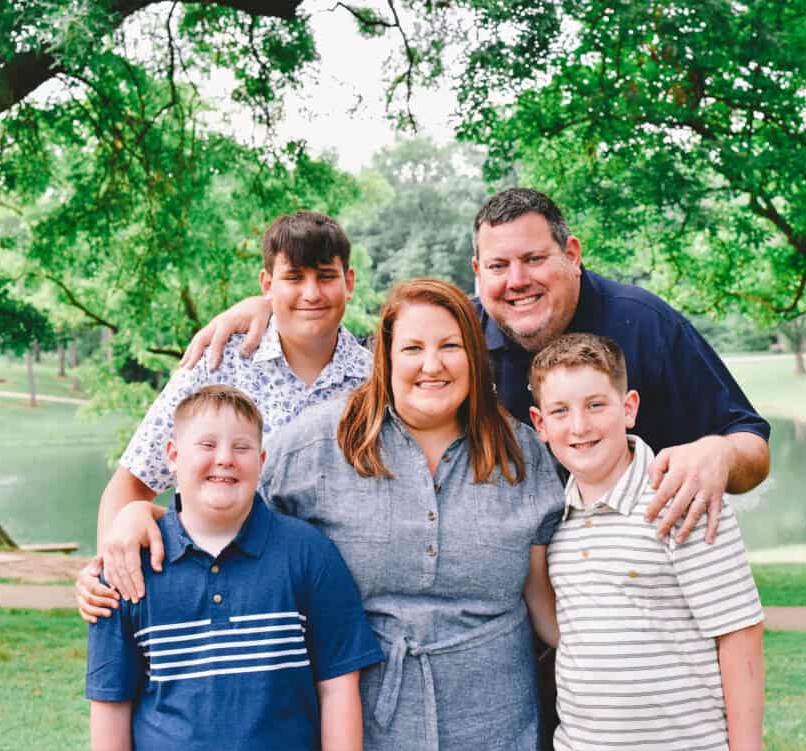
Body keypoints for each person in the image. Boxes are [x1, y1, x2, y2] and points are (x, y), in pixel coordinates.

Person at [87, 279, 564, 750]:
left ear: (475, 358)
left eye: (451, 346)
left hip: (497, 725)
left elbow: (563, 582)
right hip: (368, 726)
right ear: (387, 358)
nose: (432, 365)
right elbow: (225, 511)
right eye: (413, 347)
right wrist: (137, 518)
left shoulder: (522, 453)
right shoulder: (317, 444)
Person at [181, 188, 771, 543]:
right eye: (498, 266)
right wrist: (272, 306)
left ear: (571, 255)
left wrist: (718, 453)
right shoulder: (456, 336)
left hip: (629, 577)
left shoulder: (645, 323)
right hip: (507, 596)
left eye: (535, 259)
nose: (517, 282)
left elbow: (751, 443)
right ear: (477, 271)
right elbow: (380, 346)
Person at [79, 210, 372, 618]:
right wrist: (111, 577)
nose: (311, 293)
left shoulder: (376, 383)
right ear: (267, 284)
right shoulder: (217, 363)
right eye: (294, 278)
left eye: (325, 276)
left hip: (338, 611)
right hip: (222, 609)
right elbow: (130, 485)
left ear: (349, 282)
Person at [85, 385, 383, 751]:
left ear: (261, 459)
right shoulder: (128, 567)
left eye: (241, 447)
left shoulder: (309, 553)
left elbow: (337, 688)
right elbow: (111, 704)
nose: (225, 458)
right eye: (207, 446)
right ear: (173, 456)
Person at [528, 334, 765, 751]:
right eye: (560, 412)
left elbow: (740, 635)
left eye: (596, 405)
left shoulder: (682, 498)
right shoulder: (557, 519)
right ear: (540, 425)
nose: (580, 426)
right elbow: (564, 632)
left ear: (629, 408)